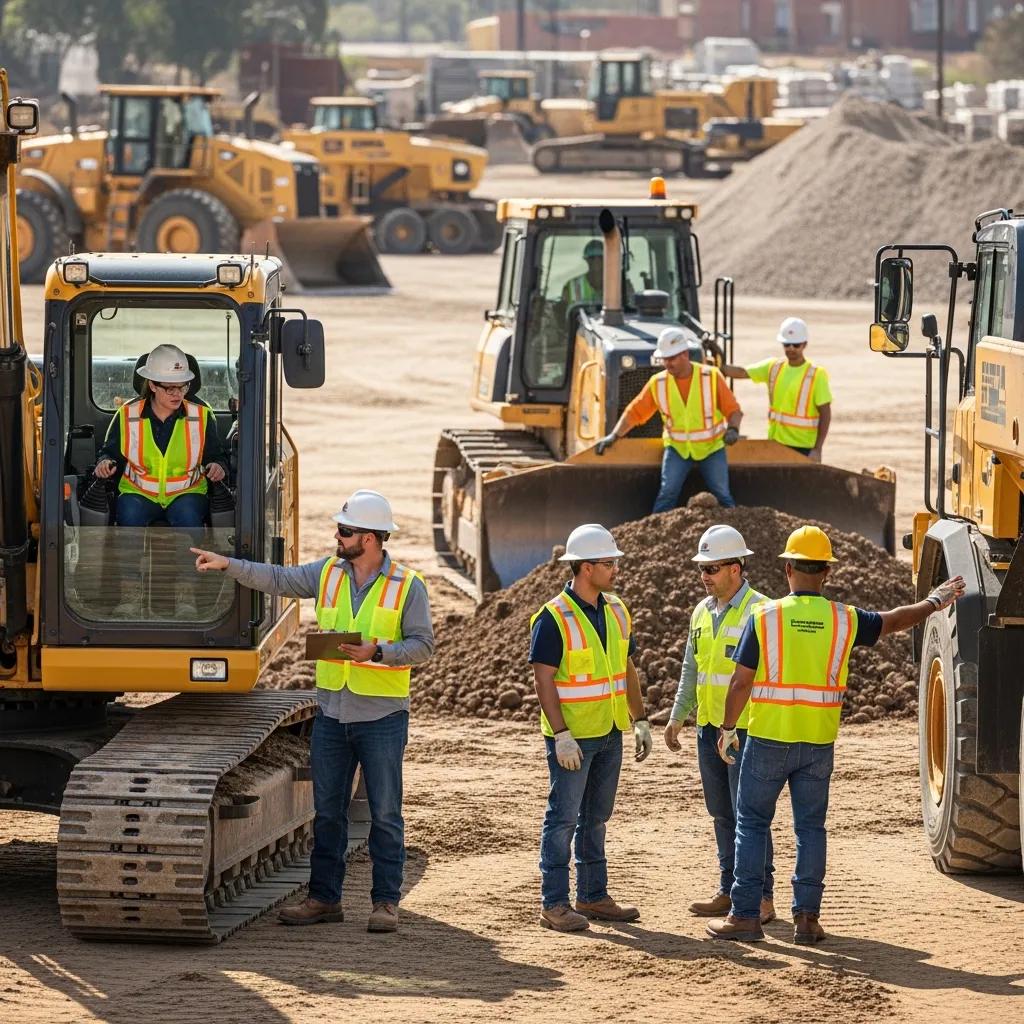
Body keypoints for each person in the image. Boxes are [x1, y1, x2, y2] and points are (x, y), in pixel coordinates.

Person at [191, 489, 434, 934]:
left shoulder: (407, 585)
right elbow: (279, 579)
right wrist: (229, 566)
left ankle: (385, 902)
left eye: (345, 531)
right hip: (332, 715)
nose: (337, 537)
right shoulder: (328, 573)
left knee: (385, 814)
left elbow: (423, 646)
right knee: (326, 814)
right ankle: (324, 899)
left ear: (372, 538)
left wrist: (377, 652)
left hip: (381, 719)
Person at [706, 525, 965, 944]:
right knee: (811, 830)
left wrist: (728, 728)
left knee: (751, 824)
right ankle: (806, 920)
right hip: (818, 743)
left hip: (769, 740)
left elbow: (740, 683)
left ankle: (746, 917)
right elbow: (895, 620)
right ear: (826, 573)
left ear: (787, 568)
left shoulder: (764, 617)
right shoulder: (844, 619)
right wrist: (934, 601)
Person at [530, 523, 653, 932]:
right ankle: (554, 903)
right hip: (573, 738)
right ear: (584, 568)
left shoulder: (617, 609)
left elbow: (626, 667)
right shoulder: (552, 618)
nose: (615, 569)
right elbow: (543, 679)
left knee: (596, 817)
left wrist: (640, 719)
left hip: (609, 731)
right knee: (562, 818)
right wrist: (561, 734)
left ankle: (593, 895)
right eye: (607, 563)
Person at [664, 524, 775, 925]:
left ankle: (762, 895)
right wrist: (679, 717)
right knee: (722, 813)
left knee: (750, 813)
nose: (705, 576)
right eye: (702, 569)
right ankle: (730, 888)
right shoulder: (701, 612)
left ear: (736, 568)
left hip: (746, 730)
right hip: (710, 727)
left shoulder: (761, 611)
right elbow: (691, 669)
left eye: (712, 569)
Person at [594, 326, 742, 512]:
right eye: (665, 359)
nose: (667, 363)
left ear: (685, 354)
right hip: (677, 450)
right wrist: (614, 436)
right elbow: (635, 412)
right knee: (667, 493)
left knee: (722, 494)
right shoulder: (659, 383)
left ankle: (736, 530)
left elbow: (734, 410)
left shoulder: (711, 377)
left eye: (671, 358)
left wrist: (733, 429)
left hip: (712, 448)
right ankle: (655, 534)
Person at [95, 343, 227, 528]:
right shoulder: (127, 416)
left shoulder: (201, 416)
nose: (178, 394)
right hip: (138, 494)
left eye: (183, 387)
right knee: (129, 516)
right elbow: (109, 453)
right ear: (152, 385)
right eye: (170, 388)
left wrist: (218, 466)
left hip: (187, 494)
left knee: (188, 517)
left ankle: (190, 558)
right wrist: (104, 462)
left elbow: (216, 457)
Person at [720, 317, 832, 461]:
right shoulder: (773, 367)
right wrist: (716, 367)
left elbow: (825, 414)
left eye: (796, 345)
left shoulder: (816, 374)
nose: (791, 348)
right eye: (787, 344)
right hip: (775, 443)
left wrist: (817, 449)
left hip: (804, 447)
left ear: (805, 344)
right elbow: (742, 372)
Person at [561, 238, 603, 305]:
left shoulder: (618, 285)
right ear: (586, 259)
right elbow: (562, 312)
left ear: (607, 258)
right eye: (592, 257)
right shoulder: (571, 287)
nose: (596, 260)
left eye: (600, 257)